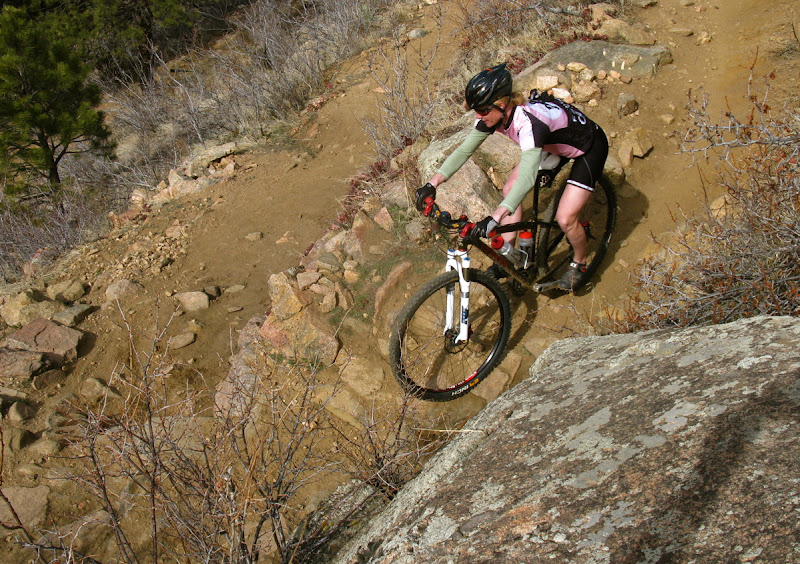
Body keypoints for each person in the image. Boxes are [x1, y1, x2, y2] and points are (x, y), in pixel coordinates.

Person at [415, 63, 609, 291]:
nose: (478, 116)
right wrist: (432, 183)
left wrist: (495, 217)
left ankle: (580, 262)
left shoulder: (528, 123)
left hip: (588, 146)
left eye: (483, 110)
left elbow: (527, 177)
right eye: (476, 110)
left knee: (565, 218)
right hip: (552, 143)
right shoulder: (494, 116)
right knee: (510, 190)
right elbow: (464, 151)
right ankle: (508, 259)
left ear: (501, 104)